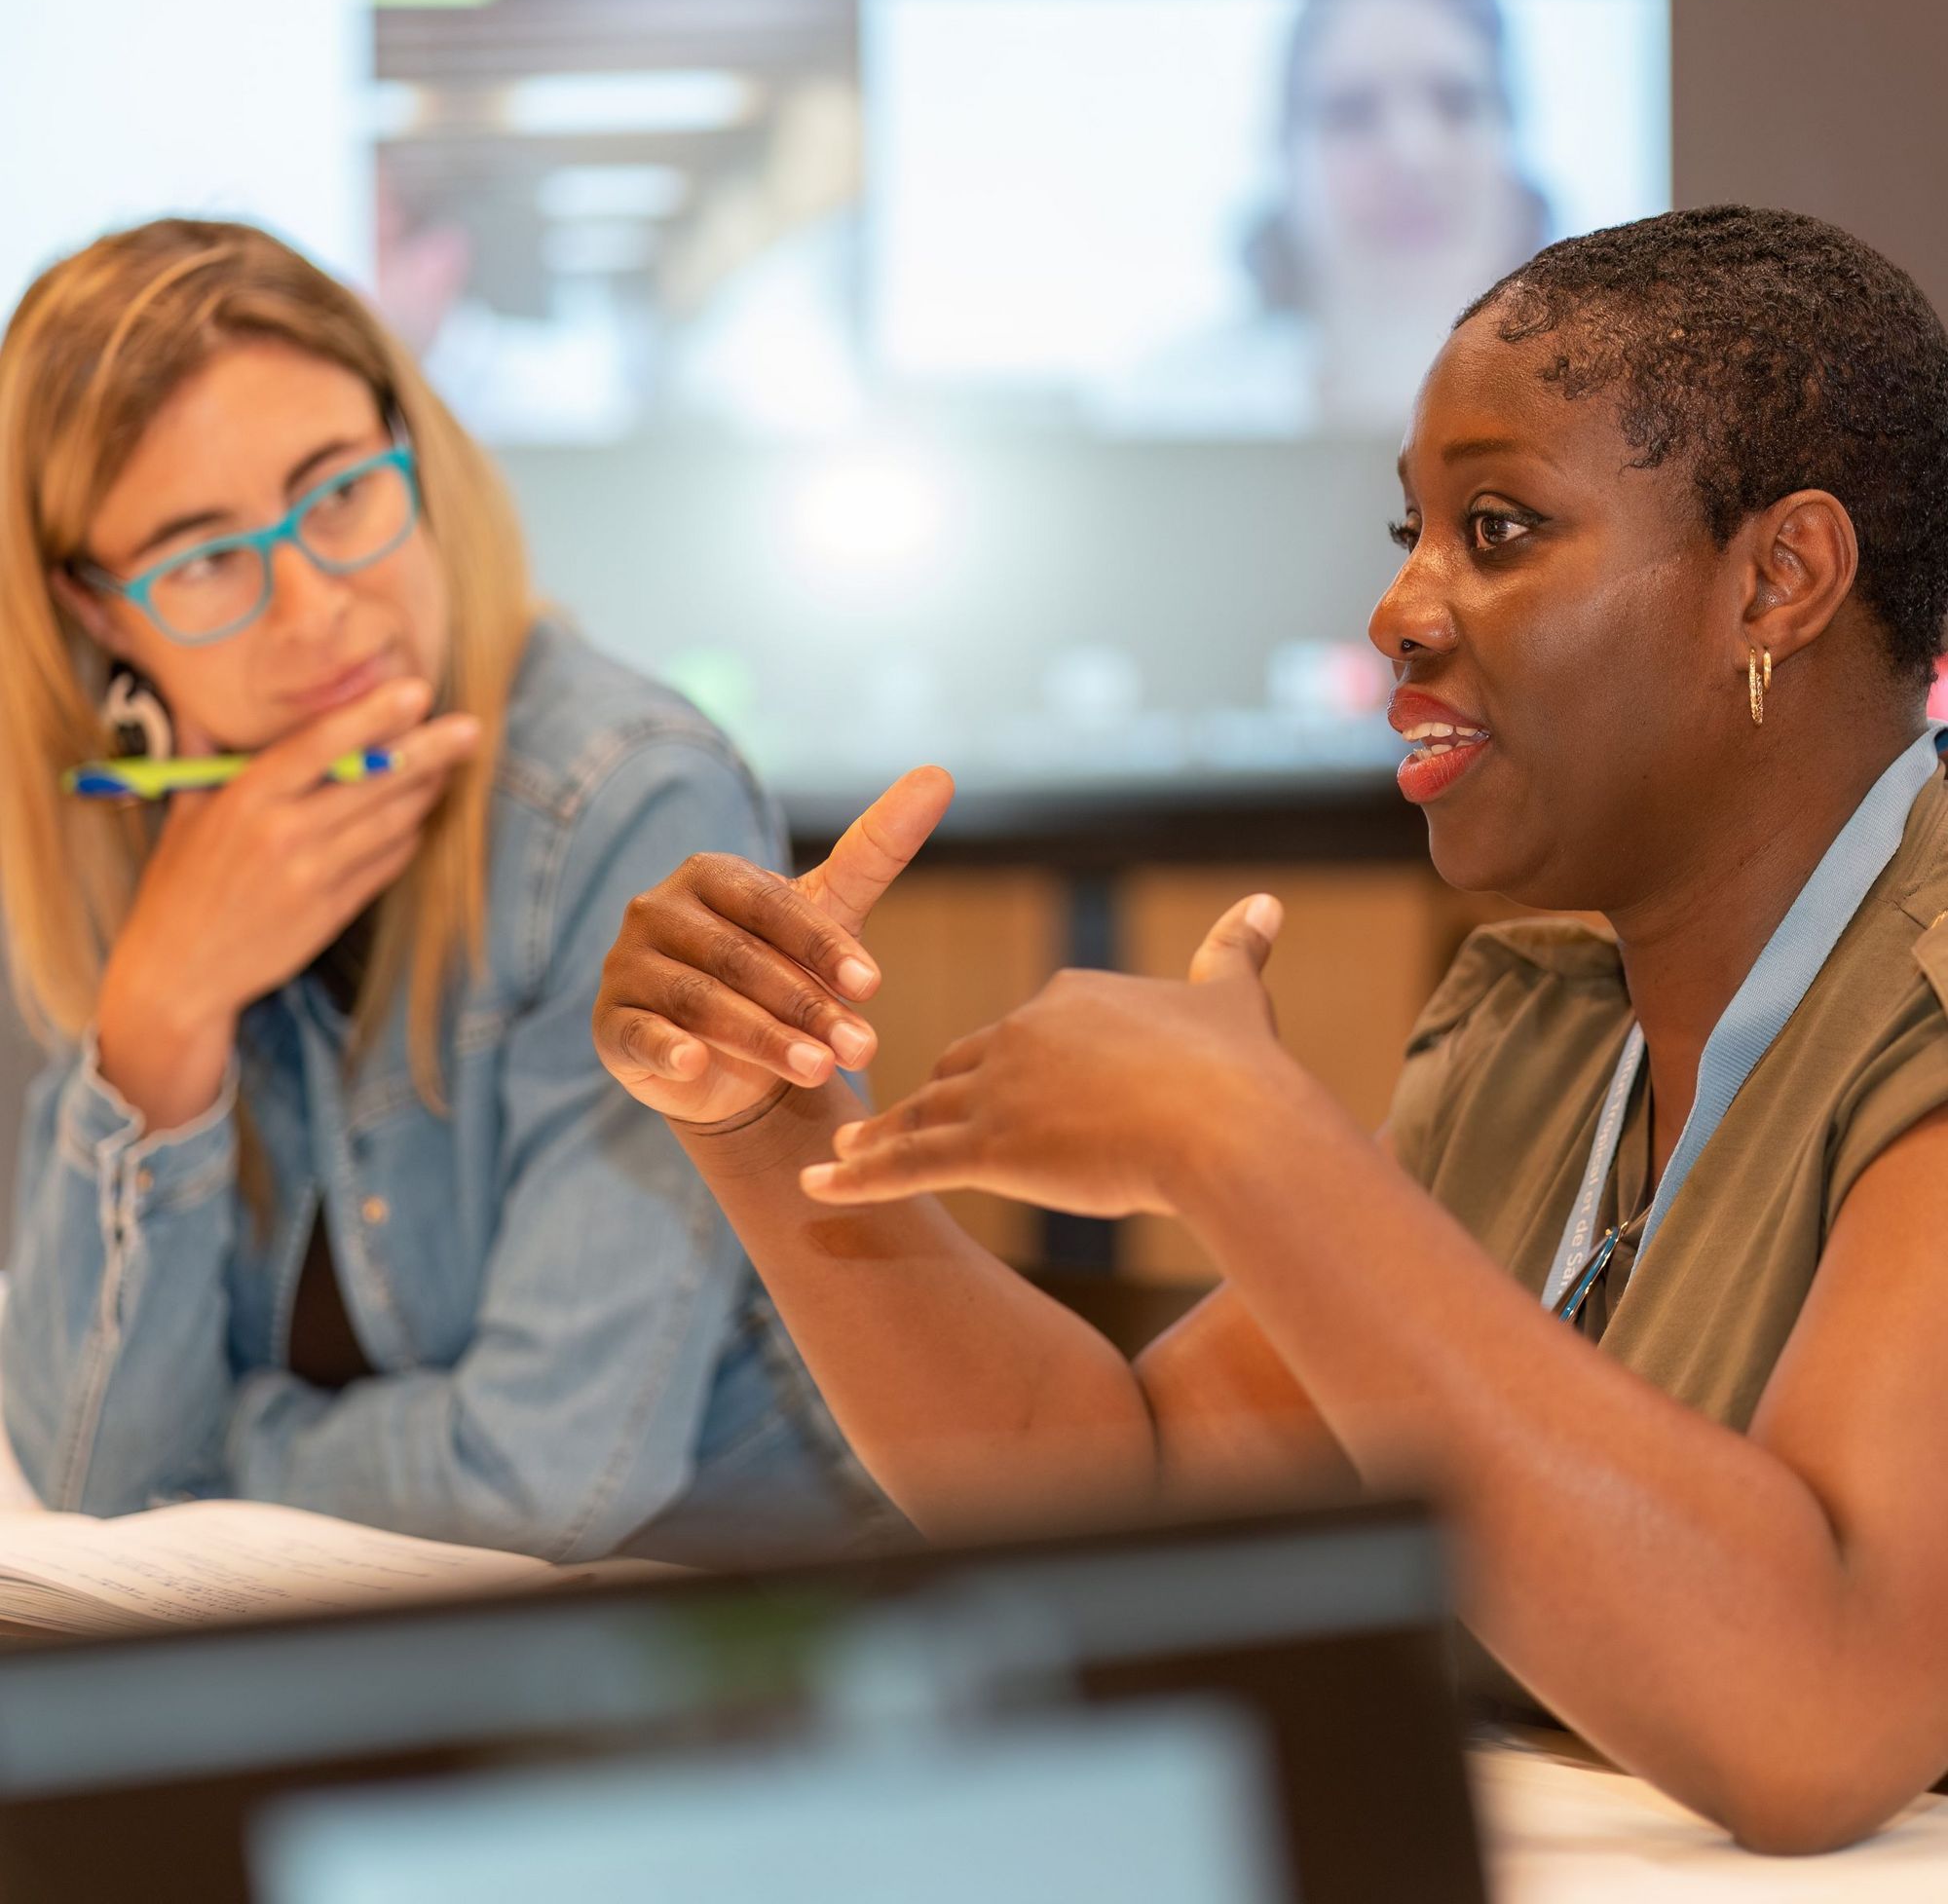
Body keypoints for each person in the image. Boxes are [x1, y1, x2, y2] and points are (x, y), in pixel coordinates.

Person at [594, 205, 1948, 1848]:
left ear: (1777, 581)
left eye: (1500, 527)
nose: (1400, 609)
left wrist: (1247, 1146)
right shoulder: (1544, 1029)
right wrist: (759, 1119)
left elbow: (1816, 1725)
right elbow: (1135, 1507)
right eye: (1413, 531)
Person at [0, 217, 886, 1565]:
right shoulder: (121, 851)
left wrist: (203, 1475)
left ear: (412, 445)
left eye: (341, 492)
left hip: (718, 1650)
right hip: (350, 1674)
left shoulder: (622, 798)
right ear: (102, 616)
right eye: (205, 561)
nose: (318, 610)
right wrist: (160, 1015)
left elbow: (542, 1478)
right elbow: (80, 1472)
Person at [1103, 0, 1552, 435]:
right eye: (1352, 112)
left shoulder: (1614, 402)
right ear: (1286, 155)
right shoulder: (1171, 406)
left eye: (1457, 103)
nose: (1413, 154)